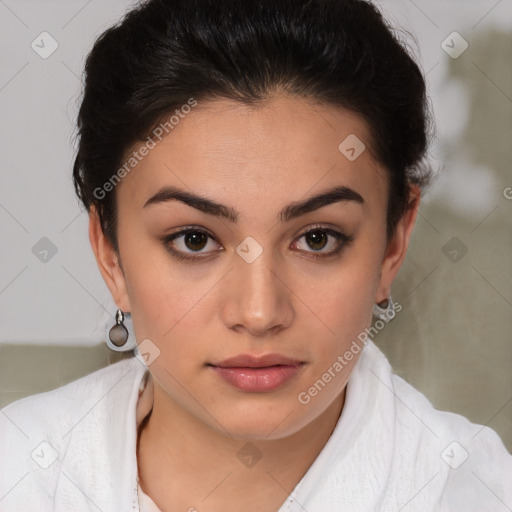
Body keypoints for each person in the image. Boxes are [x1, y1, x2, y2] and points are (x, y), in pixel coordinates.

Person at [1, 0, 511, 511]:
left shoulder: (478, 492)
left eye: (317, 239)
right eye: (194, 240)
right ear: (110, 253)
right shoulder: (19, 473)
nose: (259, 312)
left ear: (393, 243)